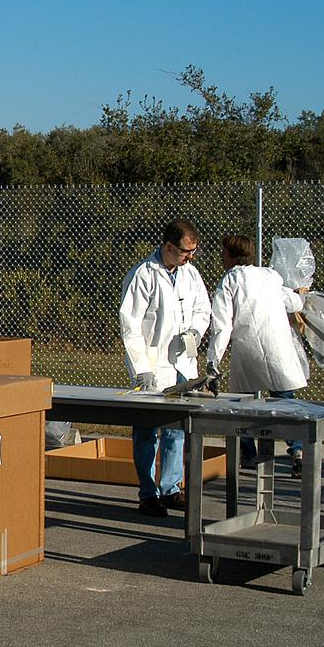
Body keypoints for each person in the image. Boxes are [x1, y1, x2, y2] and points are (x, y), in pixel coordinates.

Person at [119, 219, 211, 517]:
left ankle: (170, 488)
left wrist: (196, 331)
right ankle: (148, 493)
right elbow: (130, 324)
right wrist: (141, 367)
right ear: (169, 247)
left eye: (193, 252)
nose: (190, 258)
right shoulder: (143, 275)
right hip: (154, 365)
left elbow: (202, 309)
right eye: (186, 252)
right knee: (147, 430)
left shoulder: (190, 274)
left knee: (176, 431)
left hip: (182, 363)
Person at [205, 235, 308, 476]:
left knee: (241, 403)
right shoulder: (270, 276)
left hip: (249, 349)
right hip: (278, 350)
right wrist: (299, 294)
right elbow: (293, 302)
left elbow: (222, 326)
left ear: (230, 255)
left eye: (224, 253)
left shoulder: (230, 280)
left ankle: (248, 453)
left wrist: (213, 361)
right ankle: (297, 451)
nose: (221, 257)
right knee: (286, 403)